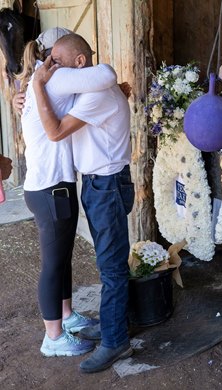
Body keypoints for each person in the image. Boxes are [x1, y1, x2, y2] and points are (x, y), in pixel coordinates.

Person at [33, 33, 135, 373]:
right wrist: (27, 95)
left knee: (111, 267)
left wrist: (36, 88)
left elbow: (56, 131)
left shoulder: (97, 95)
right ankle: (113, 326)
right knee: (110, 262)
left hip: (105, 186)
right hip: (100, 184)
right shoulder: (90, 92)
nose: (52, 70)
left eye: (57, 62)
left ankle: (115, 341)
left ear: (80, 63)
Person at [17, 27, 119, 357]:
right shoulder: (55, 79)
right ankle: (53, 337)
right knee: (52, 264)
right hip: (51, 188)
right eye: (53, 59)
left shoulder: (40, 83)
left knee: (61, 260)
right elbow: (105, 75)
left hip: (47, 186)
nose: (54, 64)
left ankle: (66, 317)